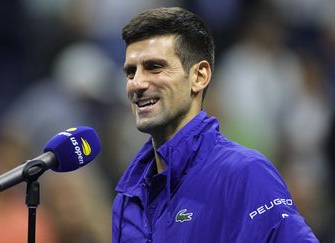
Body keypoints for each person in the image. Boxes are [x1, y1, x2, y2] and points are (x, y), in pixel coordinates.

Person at [111, 7, 319, 242]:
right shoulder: (128, 198)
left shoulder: (245, 174)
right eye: (130, 72)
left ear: (199, 76)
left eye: (154, 67)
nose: (136, 84)